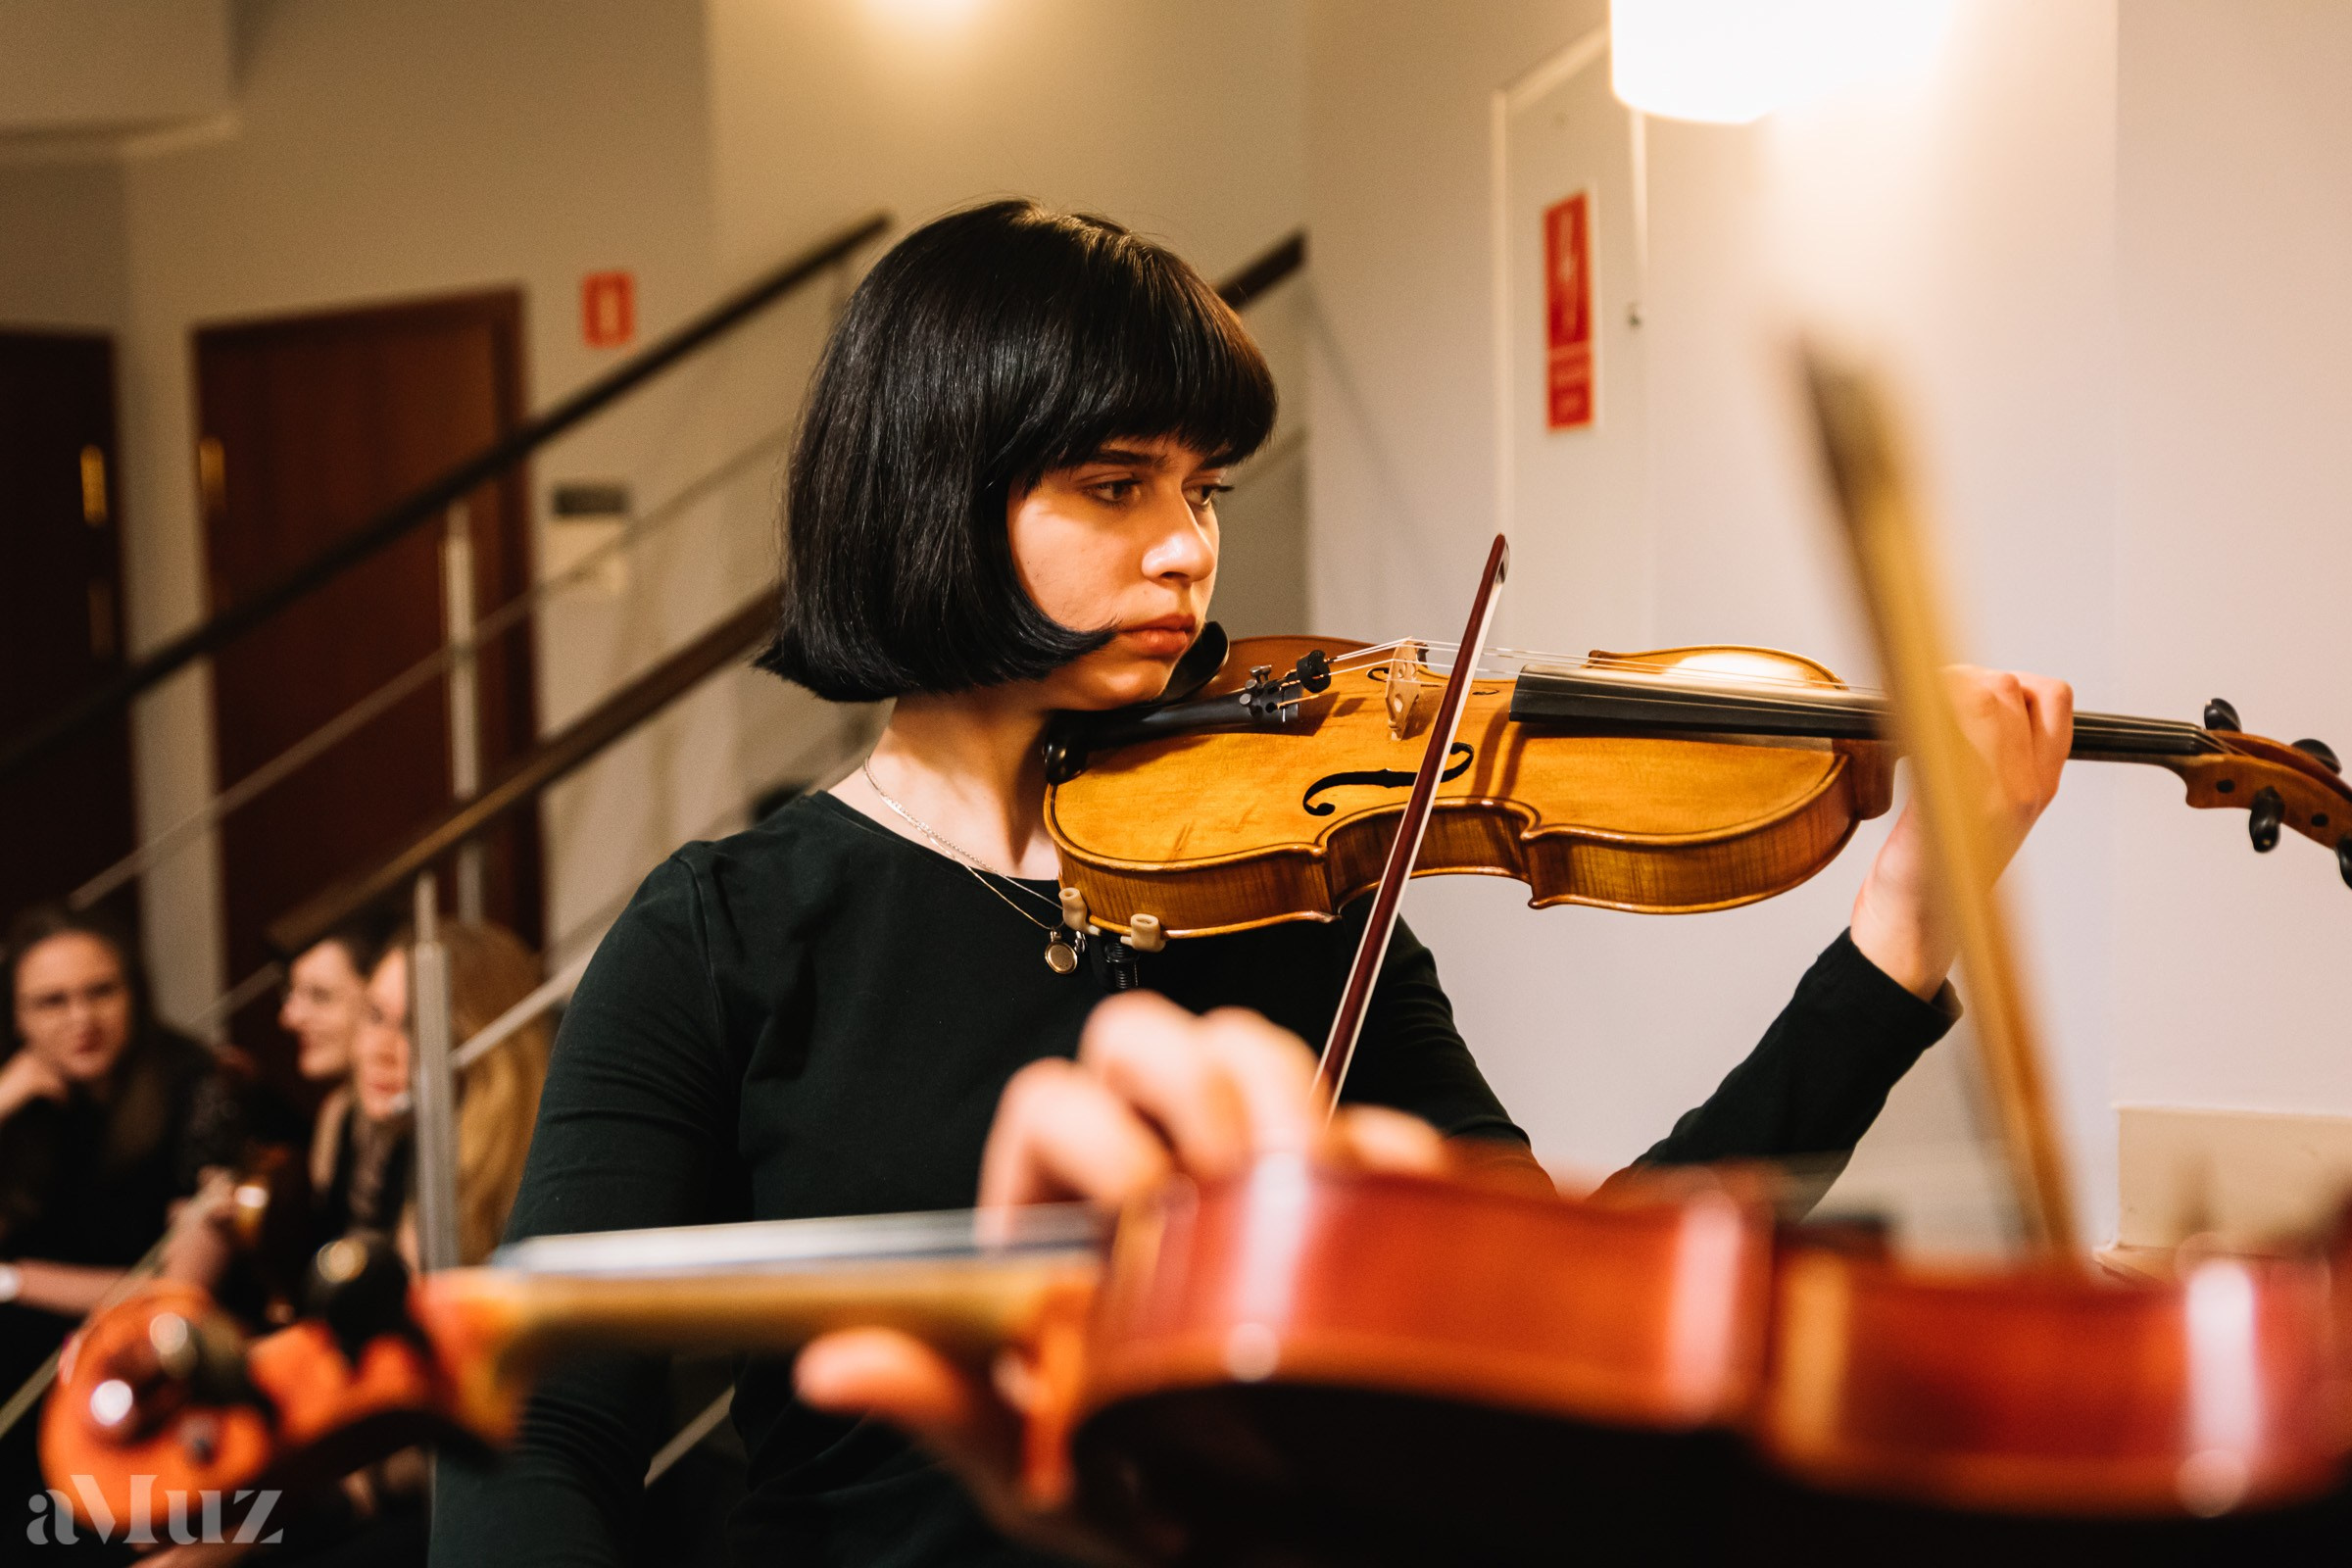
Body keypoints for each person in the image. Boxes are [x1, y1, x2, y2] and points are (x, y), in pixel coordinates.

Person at [432, 201, 2072, 1567]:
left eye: (1202, 490)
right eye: (1115, 484)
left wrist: (1895, 943)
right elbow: (531, 1433)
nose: (1188, 552)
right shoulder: (727, 936)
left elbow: (1581, 1319)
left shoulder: (1298, 886)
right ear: (930, 489)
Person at [0, 904, 244, 1556]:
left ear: (135, 993)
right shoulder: (27, 1106)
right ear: (17, 1018)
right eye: (51, 1002)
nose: (81, 1020)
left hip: (154, 1368)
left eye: (100, 992)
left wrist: (15, 1280)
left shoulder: (197, 1090)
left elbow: (172, 1297)